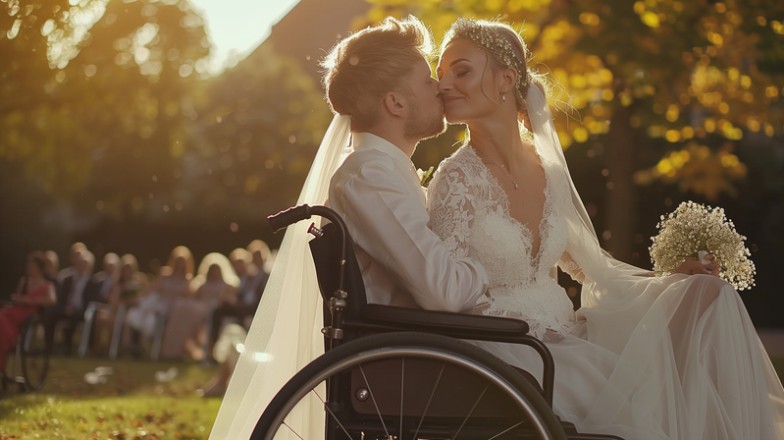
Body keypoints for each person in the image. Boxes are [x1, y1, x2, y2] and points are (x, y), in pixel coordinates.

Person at [427, 18, 784, 439]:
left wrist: (666, 282)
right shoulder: (455, 181)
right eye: (441, 72)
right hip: (508, 349)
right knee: (642, 397)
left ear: (507, 79)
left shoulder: (548, 168)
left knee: (707, 295)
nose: (444, 83)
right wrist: (533, 334)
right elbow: (447, 296)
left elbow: (587, 267)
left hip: (566, 335)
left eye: (461, 70)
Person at [210, 17, 489, 438]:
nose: (440, 85)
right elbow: (444, 291)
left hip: (423, 349)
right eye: (426, 78)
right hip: (413, 363)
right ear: (395, 103)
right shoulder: (371, 176)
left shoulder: (386, 171)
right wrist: (494, 271)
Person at [160, 252, 238, 360]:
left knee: (186, 310)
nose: (214, 272)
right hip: (200, 309)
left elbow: (230, 300)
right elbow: (192, 297)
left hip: (212, 310)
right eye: (212, 269)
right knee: (182, 310)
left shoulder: (228, 285)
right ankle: (172, 350)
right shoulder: (201, 285)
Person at [0, 253, 56, 373]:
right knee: (3, 317)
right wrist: (18, 299)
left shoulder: (47, 285)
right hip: (15, 311)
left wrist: (30, 301)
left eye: (32, 266)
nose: (29, 268)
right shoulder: (24, 282)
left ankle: (9, 341)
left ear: (39, 268)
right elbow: (18, 298)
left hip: (29, 315)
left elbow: (51, 300)